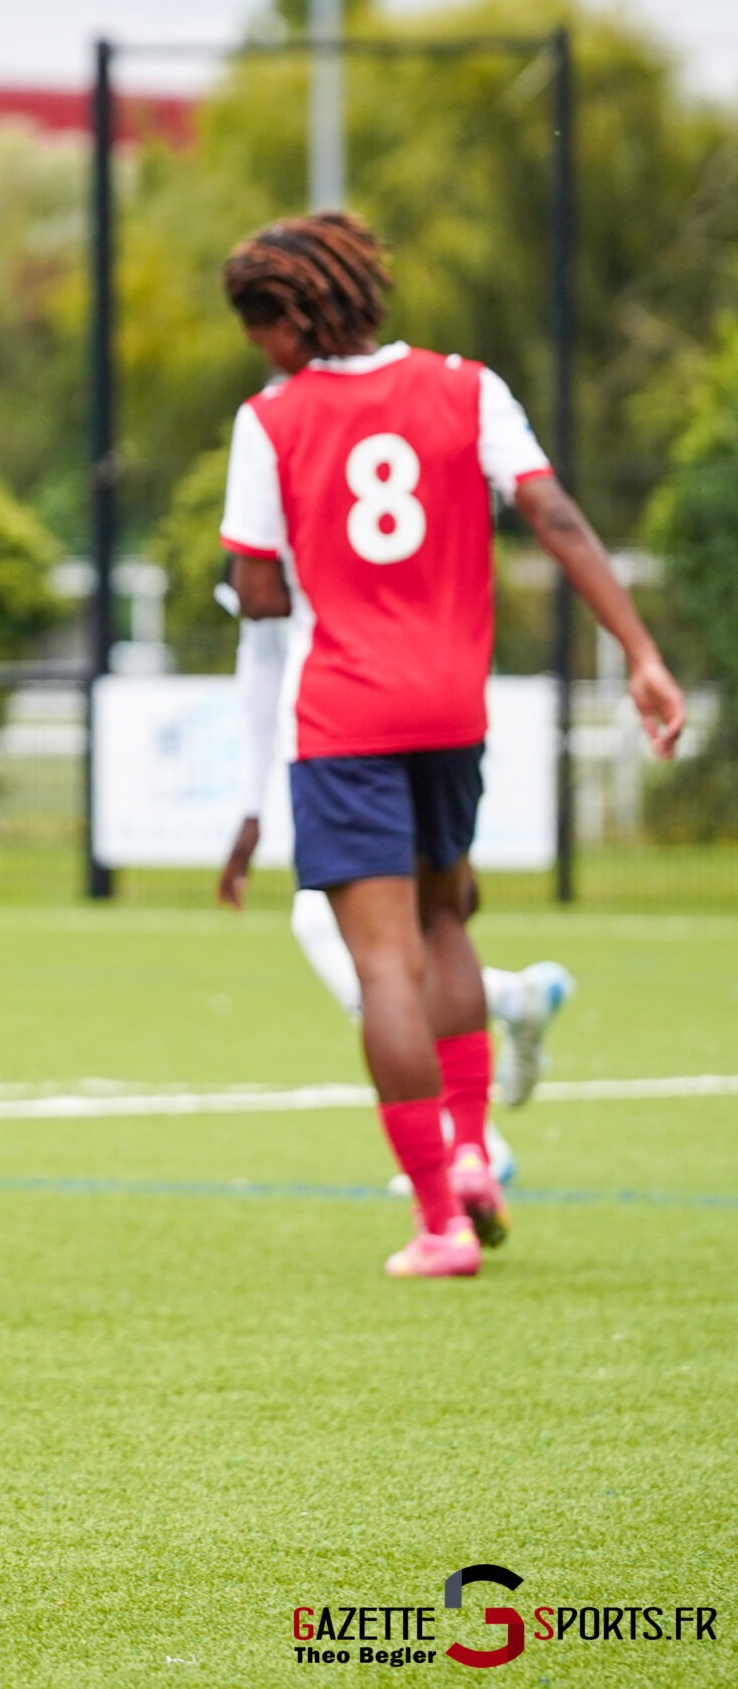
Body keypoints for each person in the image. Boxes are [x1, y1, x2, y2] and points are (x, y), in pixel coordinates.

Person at [213, 211, 683, 1278]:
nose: (262, 353)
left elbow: (257, 601)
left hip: (344, 720)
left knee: (382, 963)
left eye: (261, 331)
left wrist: (248, 786)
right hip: (449, 712)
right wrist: (641, 653)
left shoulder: (270, 422)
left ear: (291, 316)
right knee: (447, 920)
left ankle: (438, 1222)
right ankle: (472, 1151)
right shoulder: (466, 384)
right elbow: (553, 513)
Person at [216, 597, 570, 1187]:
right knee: (405, 923)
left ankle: (464, 1149)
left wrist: (251, 805)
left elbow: (260, 637)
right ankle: (482, 1105)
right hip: (408, 717)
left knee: (361, 934)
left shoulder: (286, 517)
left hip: (346, 731)